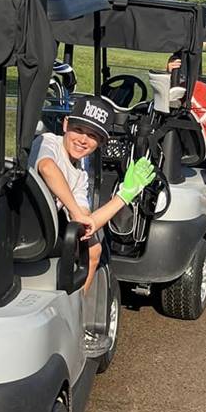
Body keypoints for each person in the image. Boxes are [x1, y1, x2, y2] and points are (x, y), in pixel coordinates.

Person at [33, 93, 154, 296]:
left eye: (92, 136)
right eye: (78, 130)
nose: (83, 140)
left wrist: (124, 195)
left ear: (100, 142)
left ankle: (76, 308)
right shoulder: (47, 142)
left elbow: (87, 223)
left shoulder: (80, 174)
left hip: (45, 234)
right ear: (65, 125)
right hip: (24, 228)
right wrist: (74, 210)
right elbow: (46, 167)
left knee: (94, 248)